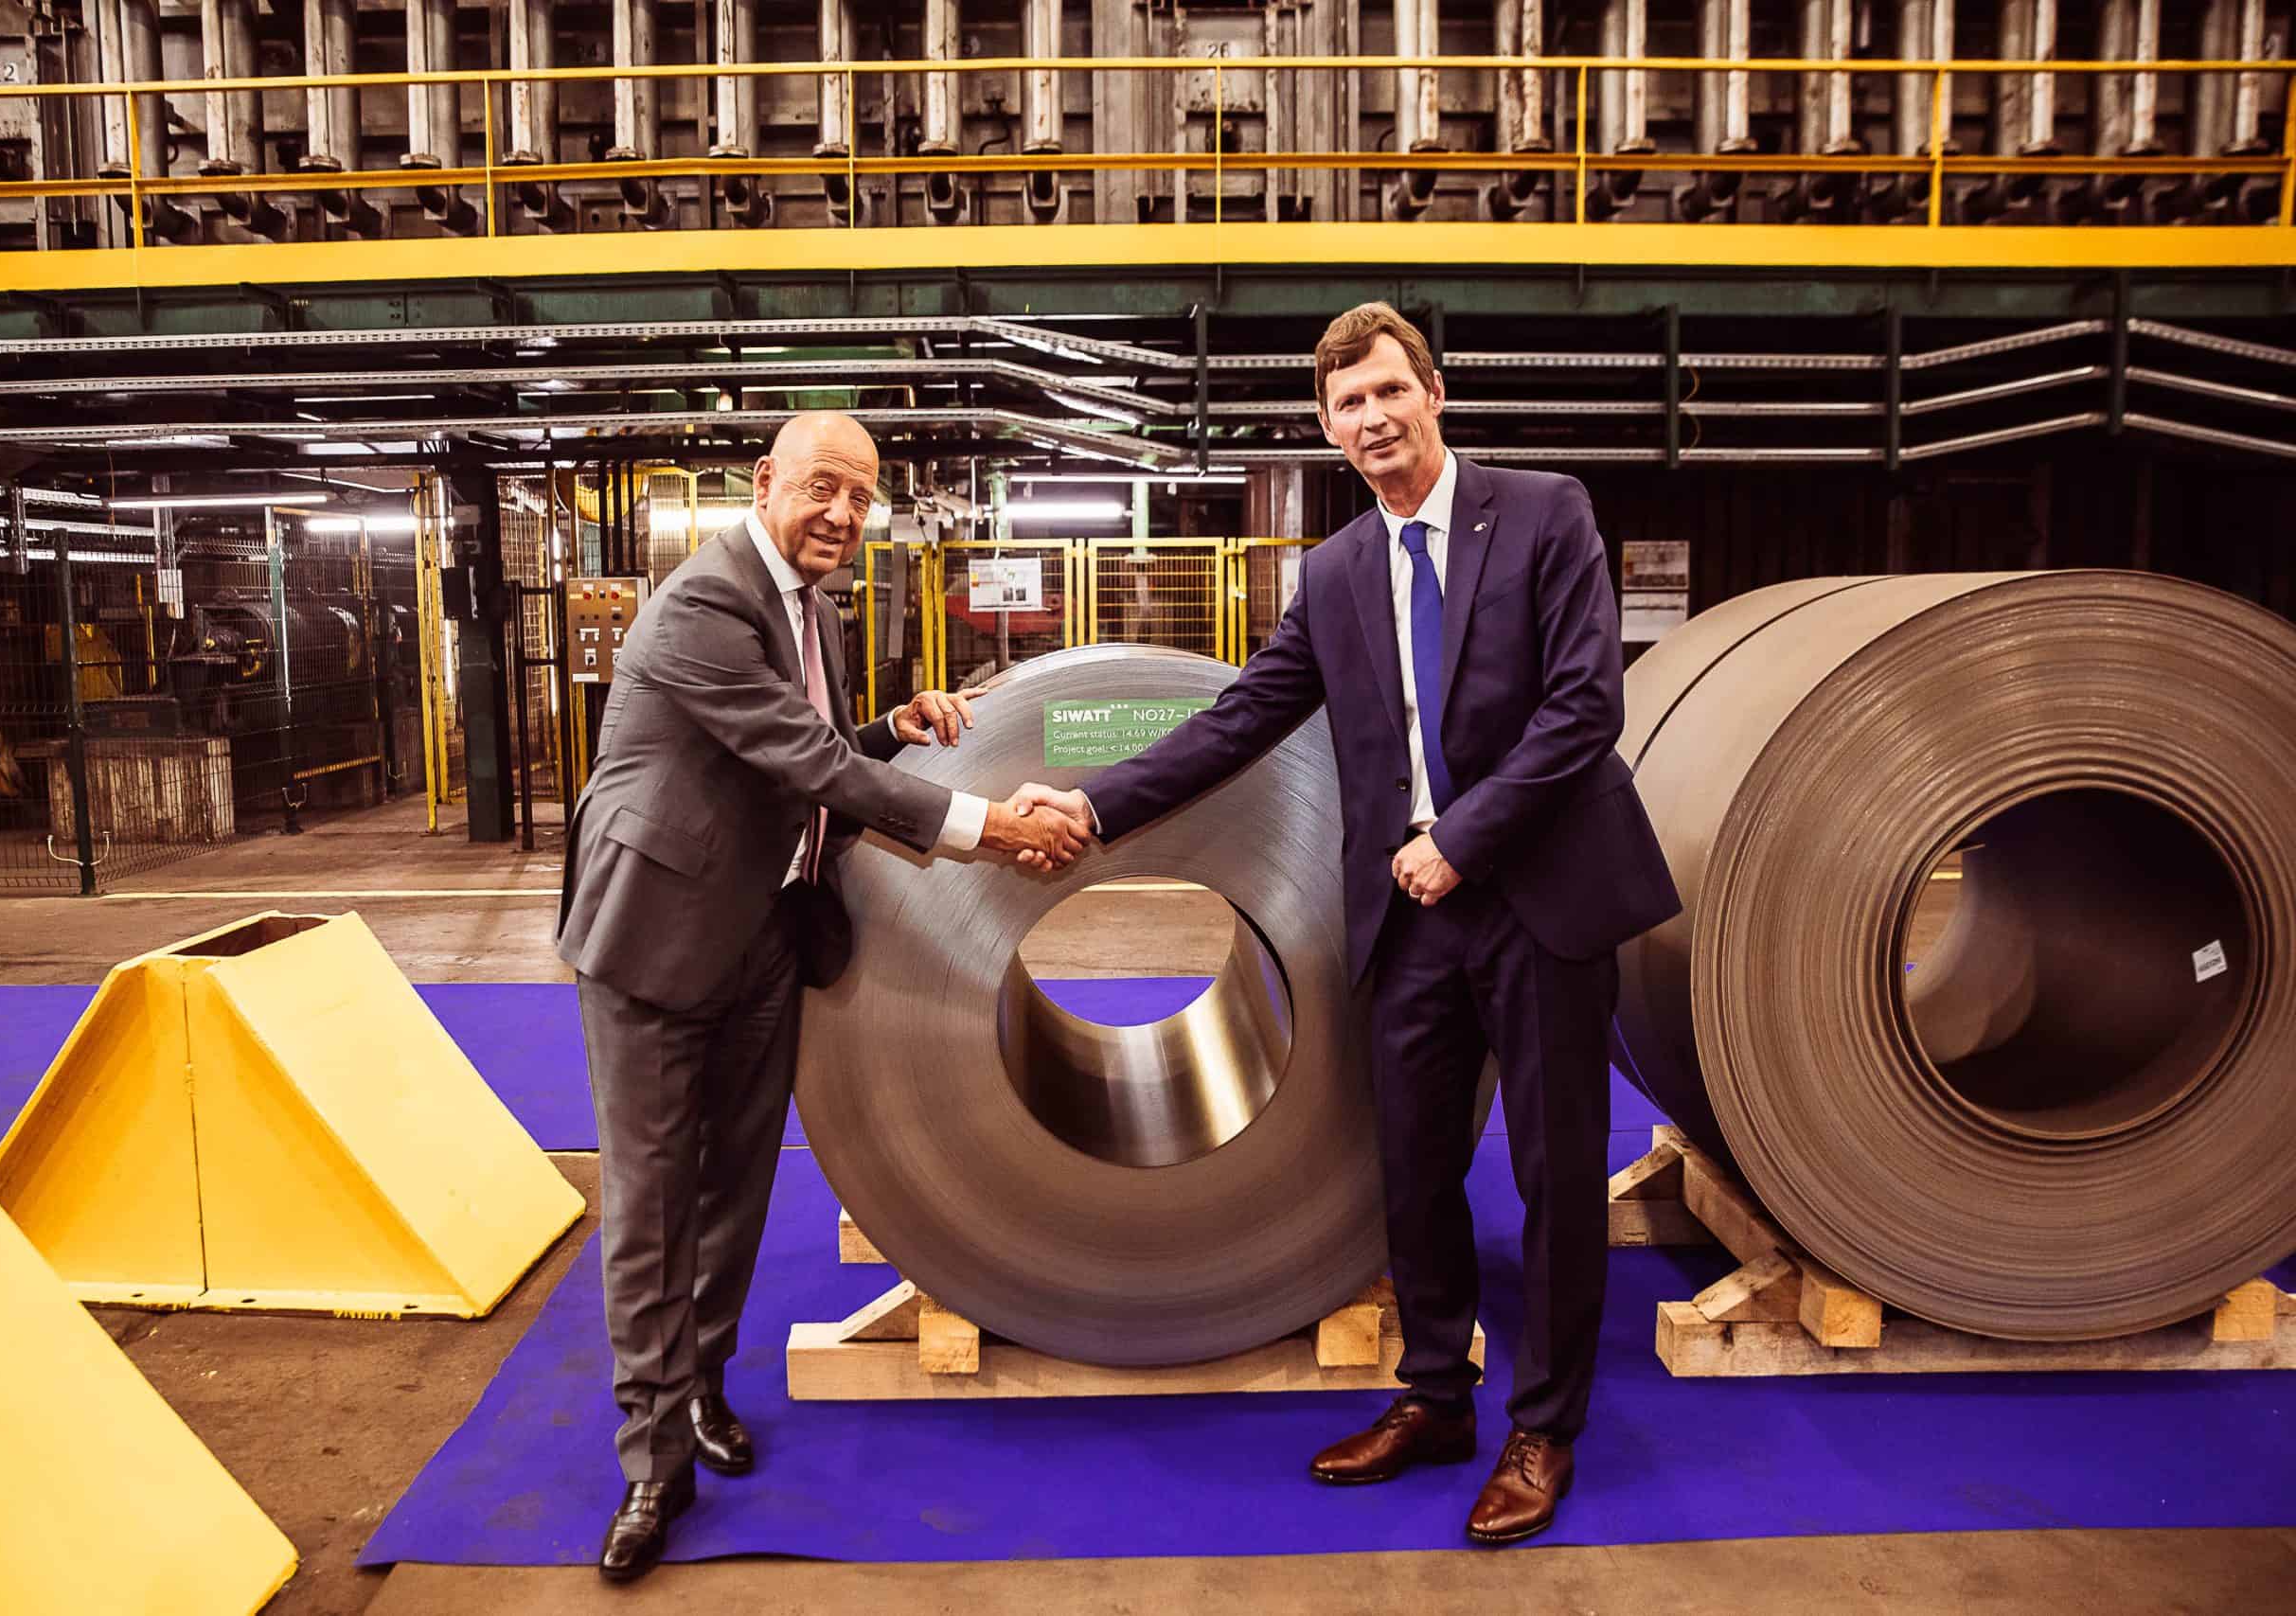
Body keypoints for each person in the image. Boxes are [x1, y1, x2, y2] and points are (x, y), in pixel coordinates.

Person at [1013, 304, 1680, 1546]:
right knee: (1413, 1167)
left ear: (1434, 392)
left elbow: (1585, 705)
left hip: (1537, 893)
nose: (1371, 419)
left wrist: (1462, 837)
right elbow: (1243, 716)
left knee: (1552, 1171)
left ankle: (1545, 1425)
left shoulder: (1544, 513)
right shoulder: (1331, 574)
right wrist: (1093, 803)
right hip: (1409, 914)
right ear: (1327, 429)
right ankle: (1436, 1395)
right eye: (1346, 405)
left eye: (1387, 391)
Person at [557, 410, 1088, 1583]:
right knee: (652, 1203)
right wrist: (988, 828)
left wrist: (889, 728)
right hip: (656, 938)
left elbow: (810, 746)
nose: (843, 515)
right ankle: (653, 1461)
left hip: (764, 931)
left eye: (861, 497)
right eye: (823, 489)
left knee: (735, 1189)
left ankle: (699, 1388)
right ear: (765, 482)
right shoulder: (704, 602)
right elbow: (802, 762)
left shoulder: (813, 607)